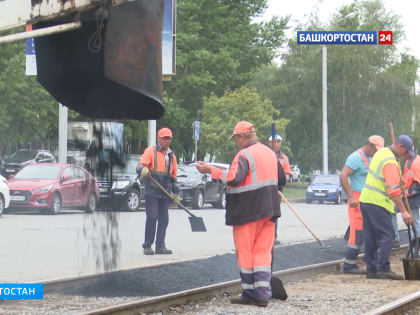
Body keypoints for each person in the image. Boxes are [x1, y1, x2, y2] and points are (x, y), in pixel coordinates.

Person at [196, 121, 286, 307]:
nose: (235, 142)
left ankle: (249, 293)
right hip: (269, 210)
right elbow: (282, 178)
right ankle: (262, 294)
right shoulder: (270, 153)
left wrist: (210, 170)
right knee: (262, 252)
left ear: (241, 136)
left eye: (235, 138)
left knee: (245, 252)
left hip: (247, 210)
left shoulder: (244, 154)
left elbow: (233, 178)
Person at [359, 135, 413, 280]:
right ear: (400, 146)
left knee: (370, 236)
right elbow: (393, 191)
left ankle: (371, 270)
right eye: (405, 151)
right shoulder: (390, 161)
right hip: (378, 202)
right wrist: (404, 212)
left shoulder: (382, 153)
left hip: (366, 200)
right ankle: (383, 268)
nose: (405, 155)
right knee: (387, 236)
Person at [339, 135, 384, 274]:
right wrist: (351, 197)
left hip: (367, 199)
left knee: (367, 232)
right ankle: (348, 266)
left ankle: (365, 261)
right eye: (375, 149)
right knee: (357, 232)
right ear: (369, 145)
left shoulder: (371, 157)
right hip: (357, 199)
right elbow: (343, 175)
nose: (376, 152)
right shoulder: (355, 157)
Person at [136, 127, 179, 255]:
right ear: (158, 138)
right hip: (152, 190)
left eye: (168, 139)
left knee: (164, 219)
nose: (167, 141)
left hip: (165, 191)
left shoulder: (172, 156)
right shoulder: (150, 151)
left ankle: (160, 246)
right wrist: (142, 169)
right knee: (152, 216)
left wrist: (176, 193)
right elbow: (139, 166)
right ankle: (147, 245)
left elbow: (173, 177)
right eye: (164, 138)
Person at [268, 134, 291, 245]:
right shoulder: (265, 155)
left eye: (278, 142)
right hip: (265, 189)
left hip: (277, 190)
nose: (275, 144)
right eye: (273, 141)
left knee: (274, 213)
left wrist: (281, 180)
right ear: (269, 143)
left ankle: (273, 237)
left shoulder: (283, 158)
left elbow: (287, 174)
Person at [401, 152, 420, 241]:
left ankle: (417, 243)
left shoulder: (416, 163)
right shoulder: (408, 161)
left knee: (415, 219)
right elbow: (406, 176)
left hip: (413, 196)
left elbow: (418, 184)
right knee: (413, 219)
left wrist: (410, 191)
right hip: (406, 193)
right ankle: (414, 241)